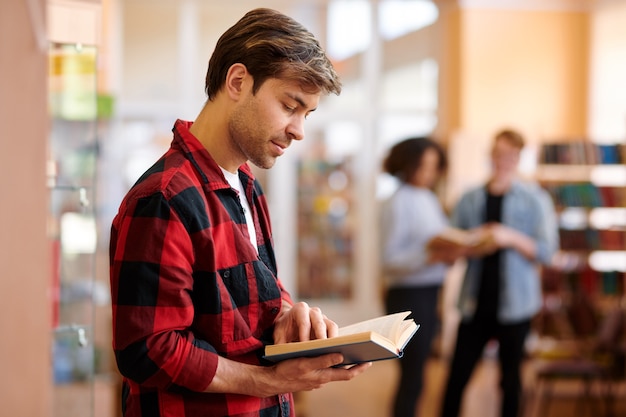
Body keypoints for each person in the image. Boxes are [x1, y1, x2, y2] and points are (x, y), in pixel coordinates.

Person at [109, 8, 371, 417]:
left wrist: (288, 316)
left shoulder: (245, 184)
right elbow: (148, 350)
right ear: (237, 82)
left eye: (307, 114)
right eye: (290, 105)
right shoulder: (164, 198)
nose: (299, 129)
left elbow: (254, 295)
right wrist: (272, 381)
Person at [439, 129, 558, 417]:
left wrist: (509, 237)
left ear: (518, 158)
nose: (502, 161)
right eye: (497, 154)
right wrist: (472, 244)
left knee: (510, 381)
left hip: (516, 306)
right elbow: (449, 249)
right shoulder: (469, 199)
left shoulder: (535, 199)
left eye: (509, 155)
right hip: (474, 303)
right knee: (456, 378)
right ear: (490, 154)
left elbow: (547, 251)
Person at [380, 137, 455, 417]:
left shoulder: (428, 198)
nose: (429, 174)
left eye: (434, 167)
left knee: (420, 374)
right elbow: (388, 261)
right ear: (406, 165)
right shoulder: (396, 202)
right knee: (411, 377)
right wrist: (430, 257)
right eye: (423, 166)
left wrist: (450, 255)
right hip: (407, 297)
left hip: (430, 292)